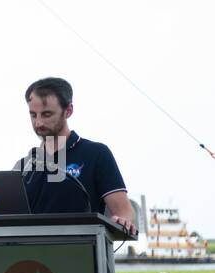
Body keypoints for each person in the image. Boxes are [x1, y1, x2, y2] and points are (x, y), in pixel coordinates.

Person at [16, 77, 136, 234]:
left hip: (83, 253)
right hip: (29, 256)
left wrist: (123, 220)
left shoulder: (96, 154)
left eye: (46, 114)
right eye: (33, 115)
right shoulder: (24, 165)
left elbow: (125, 212)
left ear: (68, 111)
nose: (38, 123)